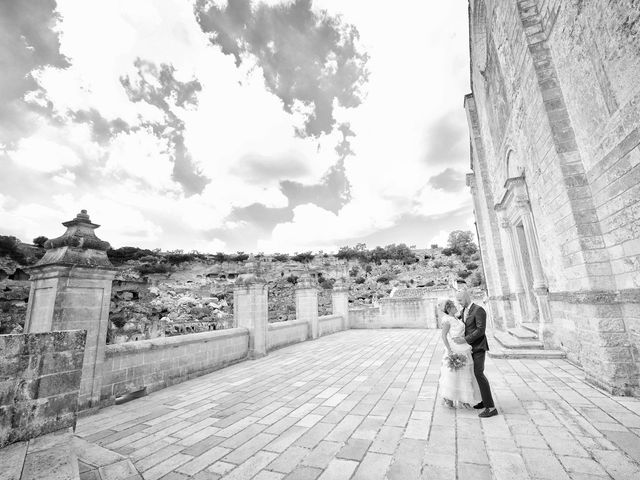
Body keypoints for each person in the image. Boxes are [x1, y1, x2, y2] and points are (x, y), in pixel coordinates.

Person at [452, 289, 498, 418]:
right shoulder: (463, 311)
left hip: (478, 347)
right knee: (474, 374)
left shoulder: (479, 310)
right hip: (468, 349)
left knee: (479, 373)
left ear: (466, 298)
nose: (459, 302)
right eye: (457, 300)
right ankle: (483, 401)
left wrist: (465, 339)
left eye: (460, 300)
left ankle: (491, 407)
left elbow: (480, 330)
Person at [439, 299, 481, 408]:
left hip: (463, 346)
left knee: (465, 374)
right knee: (453, 374)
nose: (456, 307)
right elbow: (443, 336)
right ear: (449, 309)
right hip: (454, 348)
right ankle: (449, 398)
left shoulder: (456, 318)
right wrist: (449, 350)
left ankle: (464, 398)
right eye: (453, 306)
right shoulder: (447, 320)